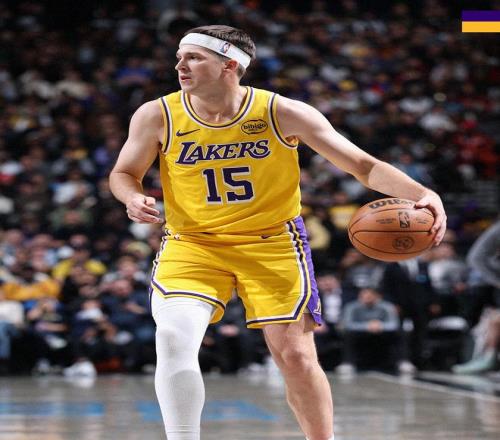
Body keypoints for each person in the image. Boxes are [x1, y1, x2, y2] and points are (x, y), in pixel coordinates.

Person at [109, 25, 446, 440]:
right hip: (193, 244)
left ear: (229, 65)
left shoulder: (281, 111)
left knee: (296, 358)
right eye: (180, 56)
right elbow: (124, 172)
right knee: (174, 337)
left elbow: (363, 166)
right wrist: (131, 196)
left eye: (193, 57)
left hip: (273, 243)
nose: (180, 65)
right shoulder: (157, 114)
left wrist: (423, 193)